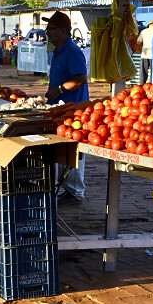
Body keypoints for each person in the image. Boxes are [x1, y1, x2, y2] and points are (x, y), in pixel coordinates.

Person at [43, 11, 89, 203]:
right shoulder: (57, 51)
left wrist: (59, 89)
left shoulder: (71, 51)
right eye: (48, 28)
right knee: (62, 151)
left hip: (73, 111)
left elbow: (81, 78)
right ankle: (66, 188)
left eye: (51, 29)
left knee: (73, 150)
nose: (47, 32)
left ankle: (75, 192)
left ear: (63, 31)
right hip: (60, 110)